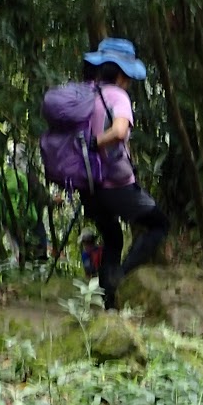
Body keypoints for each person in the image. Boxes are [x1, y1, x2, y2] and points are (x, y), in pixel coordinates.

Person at [79, 37, 169, 307]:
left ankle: (108, 303)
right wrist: (97, 142)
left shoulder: (88, 93)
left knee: (113, 238)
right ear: (120, 74)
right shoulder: (117, 96)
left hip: (89, 186)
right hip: (116, 185)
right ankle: (123, 277)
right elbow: (119, 131)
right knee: (159, 224)